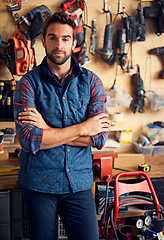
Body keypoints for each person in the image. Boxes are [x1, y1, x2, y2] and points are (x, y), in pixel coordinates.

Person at [14, 11, 110, 240]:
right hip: (39, 183)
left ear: (74, 42)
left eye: (65, 38)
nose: (59, 45)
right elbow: (28, 139)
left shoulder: (92, 82)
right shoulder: (27, 83)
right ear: (43, 41)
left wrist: (46, 129)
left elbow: (99, 139)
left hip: (79, 182)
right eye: (53, 38)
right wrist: (82, 128)